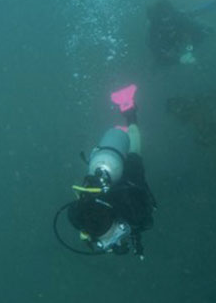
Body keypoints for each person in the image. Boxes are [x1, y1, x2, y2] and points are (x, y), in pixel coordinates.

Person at [54, 84, 157, 258]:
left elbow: (145, 219)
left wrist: (129, 233)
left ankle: (128, 108)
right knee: (110, 160)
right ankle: (112, 139)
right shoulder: (80, 216)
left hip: (125, 179)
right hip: (104, 170)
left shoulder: (129, 212)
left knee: (134, 152)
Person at [146, 0, 216, 66]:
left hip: (184, 36)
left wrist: (190, 51)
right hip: (172, 44)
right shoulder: (154, 28)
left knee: (206, 28)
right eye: (162, 17)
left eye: (167, 15)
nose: (166, 20)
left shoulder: (180, 17)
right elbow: (155, 50)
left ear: (171, 12)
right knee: (156, 65)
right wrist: (179, 59)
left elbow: (202, 31)